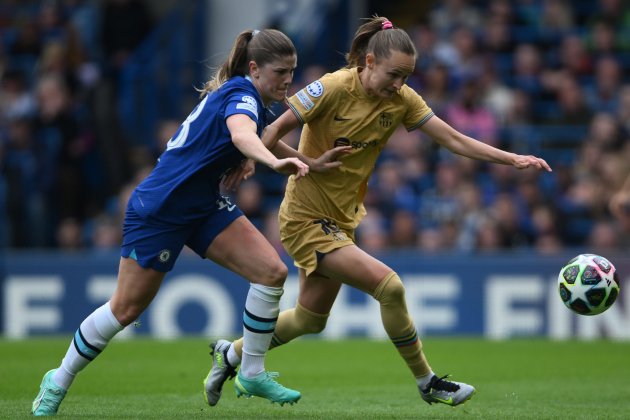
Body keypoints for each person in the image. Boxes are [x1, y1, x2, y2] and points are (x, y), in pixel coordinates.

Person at [204, 16, 552, 408]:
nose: (400, 84)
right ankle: (428, 381)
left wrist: (513, 158)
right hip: (305, 217)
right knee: (390, 287)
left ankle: (230, 354)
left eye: (407, 76)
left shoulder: (402, 101)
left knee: (309, 320)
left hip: (341, 219)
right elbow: (269, 134)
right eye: (393, 74)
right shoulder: (331, 88)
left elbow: (453, 138)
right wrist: (308, 163)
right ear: (369, 62)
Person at [31, 28, 347, 416]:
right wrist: (270, 161)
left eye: (292, 70)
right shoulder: (242, 95)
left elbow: (259, 135)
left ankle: (250, 371)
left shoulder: (251, 96)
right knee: (125, 309)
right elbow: (244, 135)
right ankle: (58, 379)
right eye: (281, 71)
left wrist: (308, 162)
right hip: (160, 209)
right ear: (254, 68)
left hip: (204, 206)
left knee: (270, 272)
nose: (288, 80)